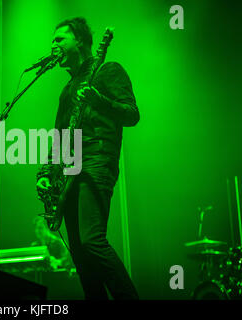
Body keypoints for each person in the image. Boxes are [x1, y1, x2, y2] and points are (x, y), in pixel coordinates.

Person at [36, 17, 140, 299]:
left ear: (79, 40)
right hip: (69, 172)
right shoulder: (67, 89)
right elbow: (58, 137)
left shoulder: (108, 70)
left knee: (92, 241)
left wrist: (99, 100)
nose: (53, 45)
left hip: (96, 163)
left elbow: (132, 114)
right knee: (81, 257)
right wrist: (45, 173)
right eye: (52, 40)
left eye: (59, 39)